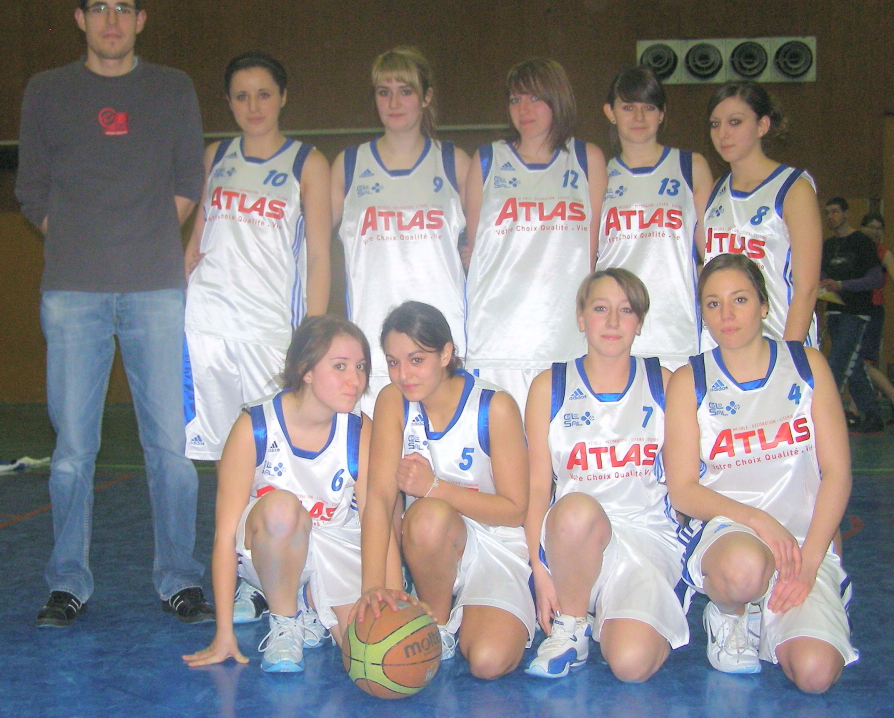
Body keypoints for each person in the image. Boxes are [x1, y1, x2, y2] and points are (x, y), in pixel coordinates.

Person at [16, 0, 211, 626]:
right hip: (73, 294)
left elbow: (189, 179)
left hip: (157, 288)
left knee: (170, 450)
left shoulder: (172, 88)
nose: (111, 20)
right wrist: (82, 241)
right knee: (73, 451)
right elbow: (31, 190)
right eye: (98, 9)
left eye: (122, 9)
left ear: (140, 20)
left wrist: (143, 238)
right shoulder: (46, 91)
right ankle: (67, 582)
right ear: (81, 20)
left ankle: (179, 578)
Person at [664, 253, 857, 694]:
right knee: (744, 566)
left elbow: (838, 473)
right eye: (712, 304)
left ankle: (774, 617)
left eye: (739, 299)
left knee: (815, 674)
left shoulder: (808, 366)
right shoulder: (690, 379)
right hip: (732, 536)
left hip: (803, 545)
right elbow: (683, 491)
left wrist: (808, 564)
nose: (726, 314)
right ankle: (731, 613)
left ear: (765, 305)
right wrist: (759, 521)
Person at [354, 301, 535, 680]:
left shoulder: (494, 406)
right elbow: (380, 499)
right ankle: (434, 621)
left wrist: (436, 487)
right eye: (392, 362)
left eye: (416, 360)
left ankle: (477, 609)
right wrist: (372, 587)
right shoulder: (393, 401)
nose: (403, 374)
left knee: (488, 662)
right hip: (433, 537)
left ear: (446, 354)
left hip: (496, 540)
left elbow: (515, 510)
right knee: (428, 517)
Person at [183, 316, 373, 672]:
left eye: (360, 366)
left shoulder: (360, 430)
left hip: (335, 548)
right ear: (306, 371)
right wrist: (223, 632)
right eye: (340, 366)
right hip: (269, 552)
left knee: (367, 655)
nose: (355, 380)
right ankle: (285, 620)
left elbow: (378, 520)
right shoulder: (254, 427)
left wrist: (383, 588)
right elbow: (224, 537)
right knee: (282, 509)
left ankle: (312, 602)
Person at [523, 269, 687, 681]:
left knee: (631, 666)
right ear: (581, 318)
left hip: (647, 536)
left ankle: (629, 611)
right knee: (576, 507)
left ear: (639, 322)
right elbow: (537, 491)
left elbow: (687, 483)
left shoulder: (665, 383)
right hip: (574, 542)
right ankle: (573, 626)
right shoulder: (550, 386)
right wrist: (540, 572)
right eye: (600, 309)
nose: (613, 322)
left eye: (625, 310)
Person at [183, 52, 331, 462]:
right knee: (214, 453)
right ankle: (225, 530)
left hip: (270, 330)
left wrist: (313, 336)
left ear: (283, 97)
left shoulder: (309, 162)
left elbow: (319, 255)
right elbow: (196, 242)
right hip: (205, 326)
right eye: (241, 96)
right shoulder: (215, 156)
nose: (253, 107)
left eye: (263, 94)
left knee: (274, 455)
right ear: (228, 102)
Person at [465, 58, 607, 414]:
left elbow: (592, 254)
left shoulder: (587, 159)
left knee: (560, 453)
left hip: (563, 334)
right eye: (515, 100)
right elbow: (475, 250)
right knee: (502, 456)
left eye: (534, 99)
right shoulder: (486, 160)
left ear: (556, 100)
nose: (523, 110)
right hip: (498, 335)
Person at [334, 46, 469, 417]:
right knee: (380, 463)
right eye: (383, 91)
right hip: (375, 340)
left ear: (426, 97)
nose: (394, 102)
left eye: (405, 91)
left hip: (441, 338)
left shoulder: (454, 163)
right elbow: (305, 247)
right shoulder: (348, 166)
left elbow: (494, 244)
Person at [596, 67, 713, 370]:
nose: (638, 117)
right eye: (628, 107)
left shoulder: (691, 166)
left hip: (677, 327)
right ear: (610, 112)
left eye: (649, 107)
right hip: (614, 329)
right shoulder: (596, 175)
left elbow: (712, 254)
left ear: (662, 114)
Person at [703, 82, 820, 349]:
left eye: (735, 122)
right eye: (715, 124)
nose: (723, 134)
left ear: (762, 125)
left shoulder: (794, 188)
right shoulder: (716, 189)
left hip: (779, 337)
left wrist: (788, 358)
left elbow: (807, 288)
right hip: (723, 344)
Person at [820, 197, 885, 434]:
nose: (831, 217)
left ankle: (825, 417)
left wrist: (842, 284)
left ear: (846, 213)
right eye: (827, 213)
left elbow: (875, 278)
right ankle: (873, 415)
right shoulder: (827, 246)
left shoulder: (862, 242)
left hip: (856, 312)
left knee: (837, 362)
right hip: (835, 311)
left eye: (835, 212)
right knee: (853, 364)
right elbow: (821, 274)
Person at [857, 213, 894, 406]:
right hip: (853, 311)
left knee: (863, 363)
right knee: (855, 364)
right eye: (871, 227)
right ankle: (855, 410)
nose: (875, 232)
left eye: (879, 228)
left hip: (873, 311)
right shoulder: (855, 249)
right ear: (862, 228)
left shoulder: (883, 253)